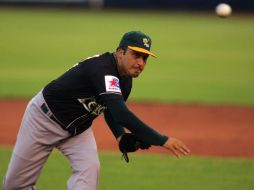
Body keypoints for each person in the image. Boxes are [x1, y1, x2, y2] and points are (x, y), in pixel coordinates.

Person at [3, 31, 190, 190]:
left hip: (78, 129)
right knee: (15, 185)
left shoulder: (125, 79)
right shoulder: (103, 68)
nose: (141, 62)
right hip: (44, 119)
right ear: (120, 52)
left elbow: (110, 109)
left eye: (145, 58)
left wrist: (120, 136)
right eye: (136, 55)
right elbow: (121, 113)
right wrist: (161, 140)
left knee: (89, 171)